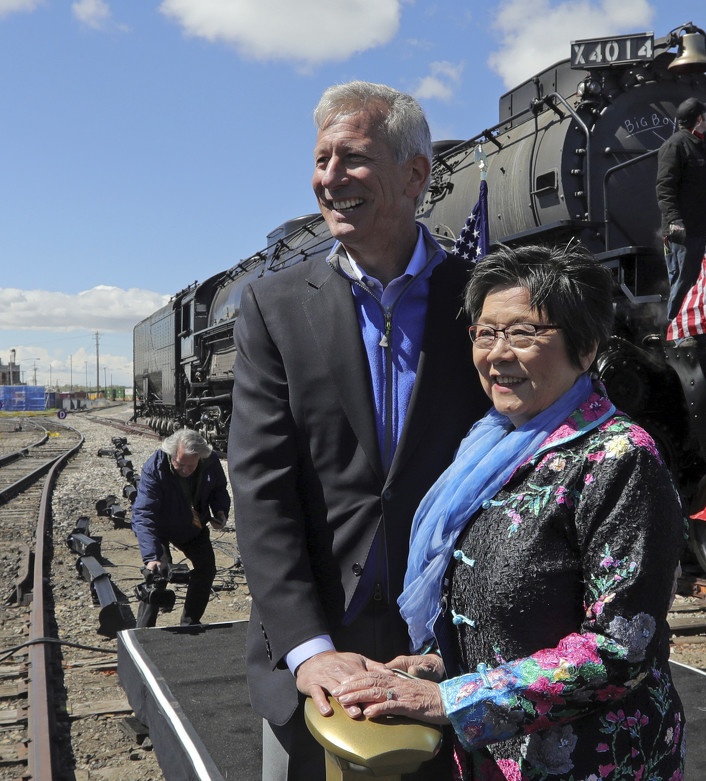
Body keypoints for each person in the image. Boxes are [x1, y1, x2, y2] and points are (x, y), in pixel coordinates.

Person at [330, 245, 688, 780]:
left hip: (594, 763)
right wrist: (437, 665)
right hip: (490, 760)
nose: (497, 354)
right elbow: (509, 621)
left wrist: (452, 699)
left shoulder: (619, 459)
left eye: (523, 333)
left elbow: (620, 647)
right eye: (484, 333)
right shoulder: (493, 444)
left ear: (586, 347)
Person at [229, 81, 489, 779]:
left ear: (415, 174)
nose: (330, 178)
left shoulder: (483, 300)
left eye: (353, 159)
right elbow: (261, 489)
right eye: (321, 160)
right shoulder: (273, 307)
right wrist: (309, 647)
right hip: (313, 656)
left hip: (446, 655)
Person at [130, 428, 229, 625]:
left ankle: (190, 622)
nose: (185, 470)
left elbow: (219, 489)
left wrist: (220, 511)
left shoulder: (210, 461)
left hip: (193, 524)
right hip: (161, 526)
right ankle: (144, 629)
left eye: (191, 466)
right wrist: (151, 556)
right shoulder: (155, 467)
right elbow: (143, 512)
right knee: (158, 572)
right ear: (172, 454)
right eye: (180, 464)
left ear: (199, 458)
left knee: (207, 567)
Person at [657, 97, 706, 327]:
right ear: (699, 119)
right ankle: (676, 329)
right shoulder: (675, 145)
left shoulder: (704, 146)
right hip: (685, 229)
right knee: (684, 280)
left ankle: (700, 328)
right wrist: (674, 221)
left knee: (705, 280)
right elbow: (665, 187)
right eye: (705, 115)